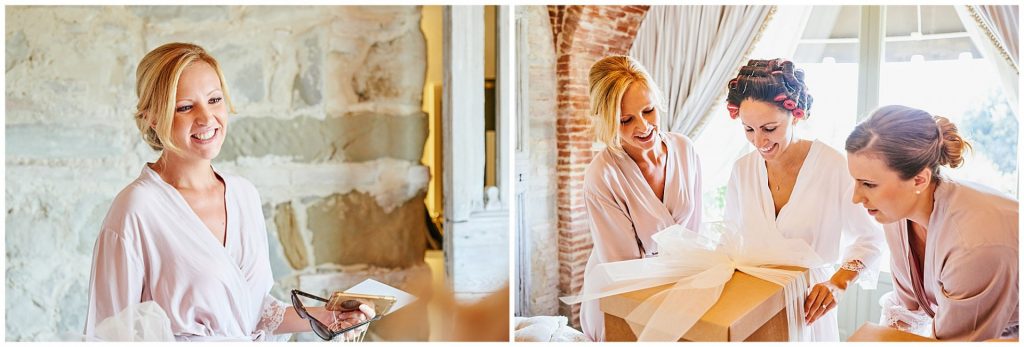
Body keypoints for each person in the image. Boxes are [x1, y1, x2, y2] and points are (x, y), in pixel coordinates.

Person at [84, 42, 373, 341]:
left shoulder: (243, 195)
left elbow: (252, 312)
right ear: (152, 118)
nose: (207, 118)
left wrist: (330, 316)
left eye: (214, 99)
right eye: (185, 107)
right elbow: (110, 331)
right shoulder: (136, 209)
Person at [723, 59, 885, 341]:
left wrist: (837, 284)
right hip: (752, 305)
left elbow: (870, 239)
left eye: (770, 128)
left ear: (796, 115)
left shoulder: (834, 166)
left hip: (808, 308)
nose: (759, 141)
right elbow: (731, 237)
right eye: (749, 129)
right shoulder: (742, 169)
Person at [845, 104, 1018, 341]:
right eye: (855, 181)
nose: (856, 198)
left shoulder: (973, 245)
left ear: (919, 180)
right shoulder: (897, 214)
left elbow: (957, 342)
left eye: (869, 184)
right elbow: (908, 307)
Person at [579, 55, 702, 341]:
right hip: (623, 297)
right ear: (606, 120)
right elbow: (624, 269)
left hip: (680, 286)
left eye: (649, 110)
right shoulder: (602, 176)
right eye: (626, 120)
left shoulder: (685, 150)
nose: (644, 127)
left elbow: (694, 232)